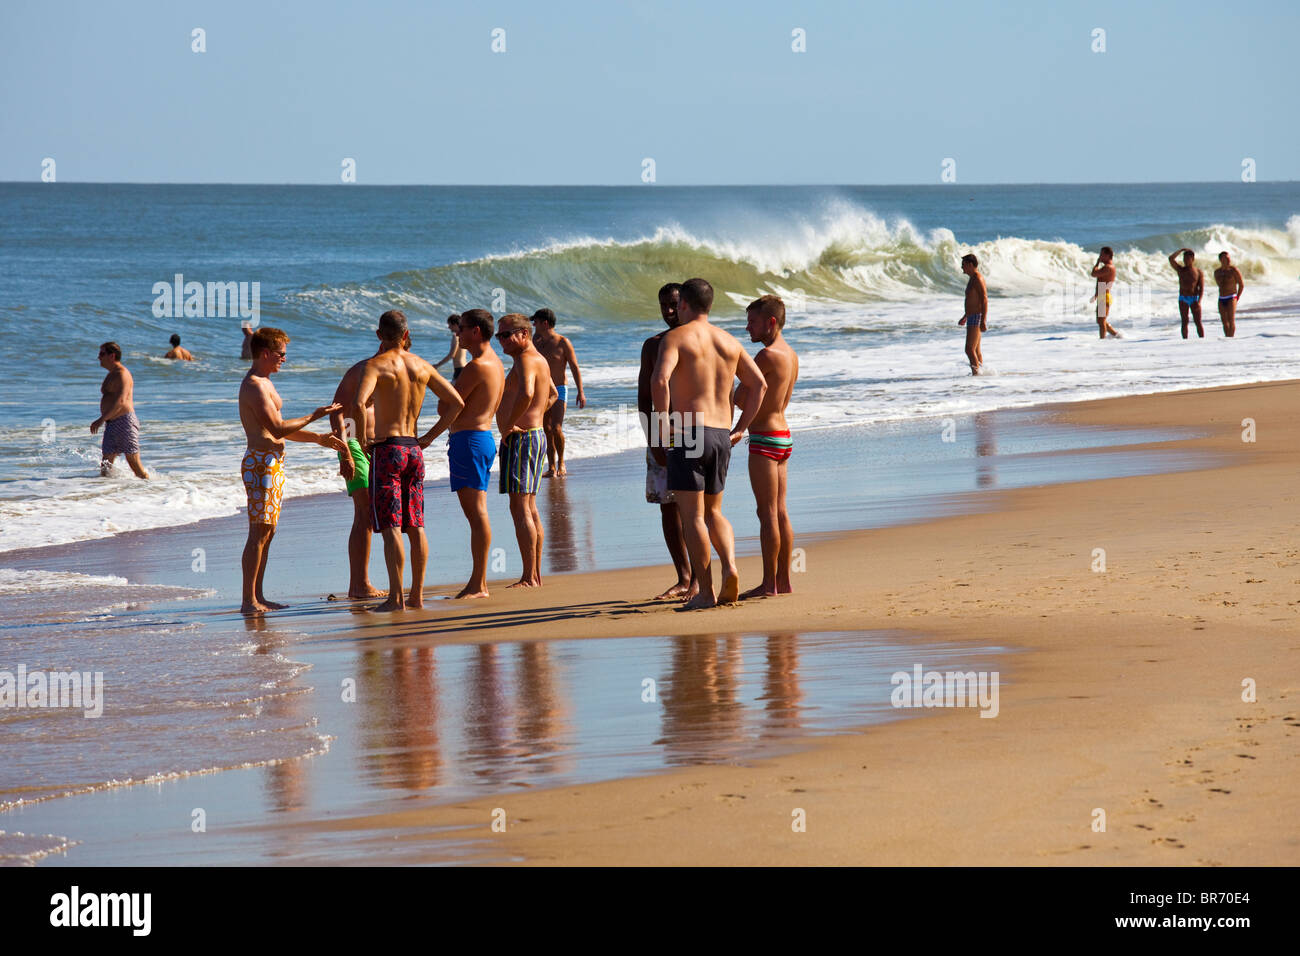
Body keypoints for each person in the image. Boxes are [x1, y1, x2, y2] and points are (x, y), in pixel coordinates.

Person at [651, 278, 766, 610]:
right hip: (720, 432)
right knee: (715, 512)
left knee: (693, 517)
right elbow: (758, 384)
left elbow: (660, 379)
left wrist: (662, 422)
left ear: (683, 304)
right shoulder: (728, 341)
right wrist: (742, 427)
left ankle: (705, 592)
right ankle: (730, 566)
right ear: (710, 305)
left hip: (687, 430)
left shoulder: (675, 338)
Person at [351, 310, 464, 612]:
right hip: (413, 449)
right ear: (405, 334)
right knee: (416, 524)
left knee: (390, 526)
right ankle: (417, 596)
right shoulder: (421, 365)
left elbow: (359, 403)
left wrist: (362, 440)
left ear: (379, 335)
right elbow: (456, 403)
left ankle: (396, 598)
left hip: (387, 449)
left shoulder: (375, 365)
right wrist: (428, 437)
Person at [236, 327, 345, 615]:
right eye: (281, 354)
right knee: (258, 533)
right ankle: (249, 601)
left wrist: (318, 438)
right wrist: (315, 414)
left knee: (268, 532)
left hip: (272, 462)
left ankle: (258, 596)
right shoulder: (255, 386)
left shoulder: (267, 382)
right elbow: (276, 428)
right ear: (265, 353)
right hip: (261, 463)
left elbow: (282, 431)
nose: (285, 359)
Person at [429, 308, 505, 599]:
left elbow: (448, 406)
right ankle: (479, 582)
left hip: (469, 440)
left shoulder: (476, 366)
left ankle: (479, 584)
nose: (457, 333)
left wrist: (429, 436)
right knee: (478, 513)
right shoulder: (495, 363)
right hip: (483, 437)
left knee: (476, 515)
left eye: (460, 328)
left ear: (475, 331)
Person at [736, 295, 798, 599]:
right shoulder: (791, 355)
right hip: (783, 436)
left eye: (752, 322)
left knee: (767, 513)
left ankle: (768, 583)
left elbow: (741, 397)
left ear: (770, 322)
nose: (747, 328)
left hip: (763, 439)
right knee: (781, 512)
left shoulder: (766, 357)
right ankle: (784, 580)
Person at [638, 283, 695, 601]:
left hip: (694, 432)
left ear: (686, 304)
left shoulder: (700, 340)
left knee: (696, 509)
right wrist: (653, 439)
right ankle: (683, 577)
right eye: (663, 306)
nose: (669, 311)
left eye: (674, 304)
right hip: (662, 433)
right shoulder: (653, 345)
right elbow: (644, 397)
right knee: (668, 507)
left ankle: (701, 577)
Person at [496, 313, 554, 588]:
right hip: (534, 435)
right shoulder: (538, 359)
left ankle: (529, 577)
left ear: (524, 334)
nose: (501, 341)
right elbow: (552, 394)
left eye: (506, 335)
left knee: (521, 509)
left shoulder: (526, 360)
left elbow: (528, 393)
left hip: (523, 439)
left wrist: (509, 425)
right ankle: (534, 574)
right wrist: (535, 417)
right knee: (529, 507)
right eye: (499, 336)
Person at [330, 343, 385, 600]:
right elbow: (335, 411)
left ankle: (360, 583)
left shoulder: (390, 370)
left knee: (372, 517)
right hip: (354, 443)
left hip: (378, 445)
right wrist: (346, 451)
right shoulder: (360, 371)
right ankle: (359, 584)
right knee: (364, 514)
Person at [531, 308, 586, 477]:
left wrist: (580, 392)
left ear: (545, 323)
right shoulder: (535, 341)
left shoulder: (563, 342)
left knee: (556, 428)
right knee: (546, 429)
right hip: (542, 390)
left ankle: (561, 462)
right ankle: (551, 467)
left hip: (560, 388)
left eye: (536, 322)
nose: (533, 325)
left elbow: (574, 367)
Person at [91, 342, 149, 478]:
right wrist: (105, 420)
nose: (98, 357)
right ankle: (107, 495)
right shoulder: (112, 373)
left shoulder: (122, 374)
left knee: (134, 464)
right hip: (111, 424)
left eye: (101, 354)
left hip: (124, 422)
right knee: (105, 467)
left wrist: (101, 420)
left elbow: (121, 402)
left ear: (112, 356)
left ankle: (154, 489)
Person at [957, 254, 988, 374]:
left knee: (969, 349)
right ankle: (981, 373)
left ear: (970, 264)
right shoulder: (972, 279)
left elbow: (984, 299)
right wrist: (965, 316)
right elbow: (972, 300)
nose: (962, 268)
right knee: (975, 350)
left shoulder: (977, 278)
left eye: (963, 265)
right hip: (971, 316)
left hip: (976, 317)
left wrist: (983, 320)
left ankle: (977, 375)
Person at [1168, 248, 1205, 338]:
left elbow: (1201, 288)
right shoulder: (1181, 270)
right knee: (1184, 321)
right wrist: (1181, 250)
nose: (1185, 261)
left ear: (1193, 259)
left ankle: (1202, 340)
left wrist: (1199, 301)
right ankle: (1185, 341)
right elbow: (1171, 258)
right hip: (1183, 298)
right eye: (1184, 259)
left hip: (1194, 298)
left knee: (1198, 322)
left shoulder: (1198, 272)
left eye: (1188, 259)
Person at [1089, 247, 1121, 339]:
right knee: (1100, 320)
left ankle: (1102, 340)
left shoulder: (1108, 267)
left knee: (1101, 321)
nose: (1100, 256)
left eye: (1102, 254)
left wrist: (1097, 263)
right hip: (1102, 295)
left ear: (1107, 255)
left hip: (1104, 296)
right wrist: (1096, 294)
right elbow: (1100, 281)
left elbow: (1094, 274)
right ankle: (1116, 335)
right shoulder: (1107, 267)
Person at [1213, 251, 1245, 338]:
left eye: (1229, 258)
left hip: (1232, 297)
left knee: (1231, 320)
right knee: (1224, 321)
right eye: (1226, 258)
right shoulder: (1217, 272)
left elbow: (1241, 284)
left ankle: (1231, 338)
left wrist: (1237, 297)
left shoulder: (1233, 270)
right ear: (1221, 260)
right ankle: (1227, 337)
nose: (1228, 260)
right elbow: (1219, 284)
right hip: (1221, 297)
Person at [433, 314, 471, 382]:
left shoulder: (455, 336)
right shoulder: (463, 336)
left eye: (450, 325)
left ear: (455, 325)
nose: (449, 327)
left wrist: (437, 365)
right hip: (463, 368)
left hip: (459, 370)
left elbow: (452, 355)